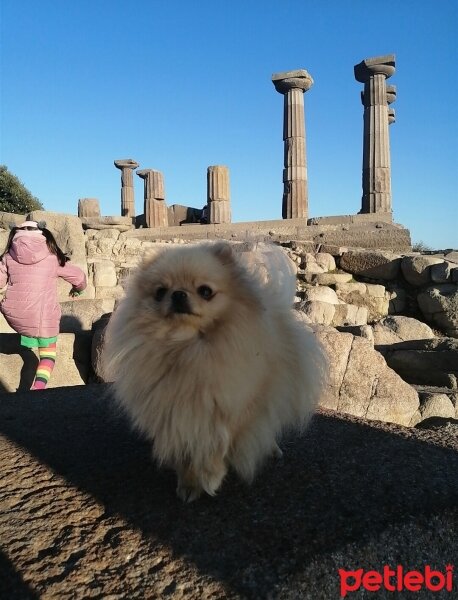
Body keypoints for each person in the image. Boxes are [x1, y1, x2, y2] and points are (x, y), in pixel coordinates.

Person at [0, 220, 87, 390]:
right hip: (42, 318)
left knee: (32, 319)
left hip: (14, 315)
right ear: (42, 234)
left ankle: (30, 339)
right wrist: (79, 290)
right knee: (48, 356)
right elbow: (79, 277)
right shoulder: (51, 257)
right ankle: (38, 389)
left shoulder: (8, 257)